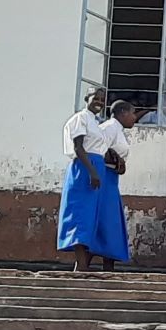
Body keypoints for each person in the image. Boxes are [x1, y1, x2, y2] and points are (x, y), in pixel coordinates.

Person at [57, 88, 111, 275]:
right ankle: (81, 264)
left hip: (95, 166)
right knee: (80, 215)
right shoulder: (81, 118)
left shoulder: (96, 122)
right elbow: (79, 148)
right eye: (96, 98)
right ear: (87, 98)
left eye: (102, 99)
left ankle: (80, 265)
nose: (99, 102)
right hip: (85, 168)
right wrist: (92, 172)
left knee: (90, 216)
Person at [90, 99, 139, 271]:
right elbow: (96, 150)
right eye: (132, 113)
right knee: (105, 220)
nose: (135, 117)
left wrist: (120, 164)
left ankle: (108, 267)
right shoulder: (109, 127)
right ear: (123, 113)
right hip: (104, 178)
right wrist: (115, 159)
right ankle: (83, 264)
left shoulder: (118, 130)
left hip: (112, 179)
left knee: (111, 222)